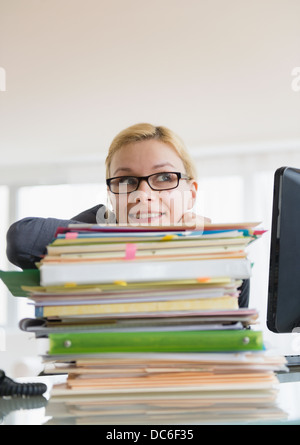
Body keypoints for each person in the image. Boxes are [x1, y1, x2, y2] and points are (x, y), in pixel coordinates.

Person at [6, 123, 249, 306]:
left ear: (191, 193)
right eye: (126, 180)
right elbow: (22, 240)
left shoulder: (223, 255)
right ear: (112, 196)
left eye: (164, 177)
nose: (142, 194)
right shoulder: (96, 223)